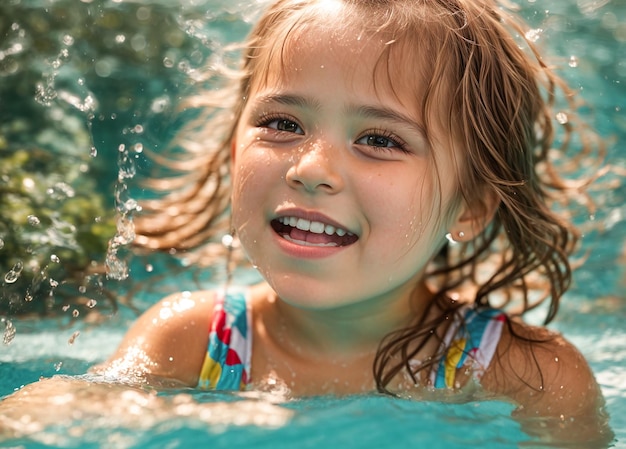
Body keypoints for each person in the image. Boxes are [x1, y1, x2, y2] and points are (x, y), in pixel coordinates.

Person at [2, 0, 614, 445]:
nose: (312, 168)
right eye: (283, 124)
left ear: (473, 200)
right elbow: (61, 415)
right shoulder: (193, 341)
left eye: (379, 138)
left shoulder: (526, 374)